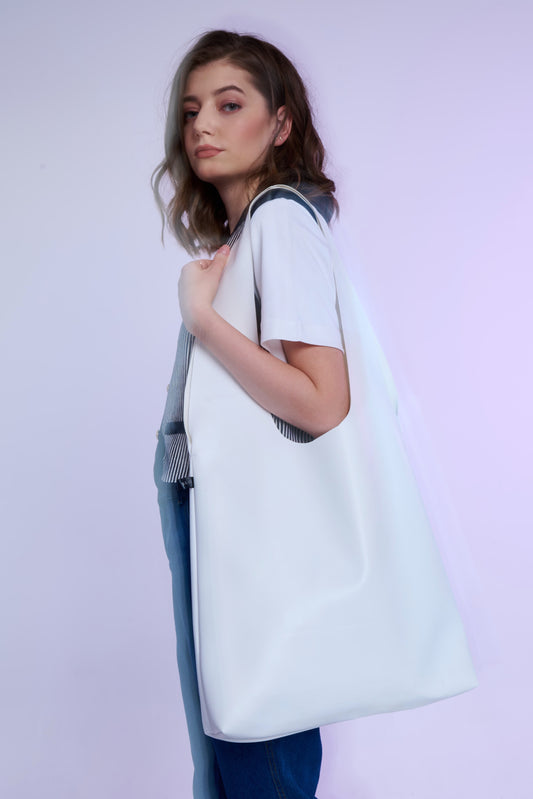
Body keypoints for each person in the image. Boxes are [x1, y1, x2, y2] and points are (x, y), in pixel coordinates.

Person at [152, 29, 348, 799]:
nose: (201, 124)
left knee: (261, 764)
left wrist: (205, 323)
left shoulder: (281, 222)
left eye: (230, 105)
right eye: (192, 109)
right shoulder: (250, 234)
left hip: (262, 554)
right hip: (239, 541)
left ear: (281, 122)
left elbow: (322, 402)